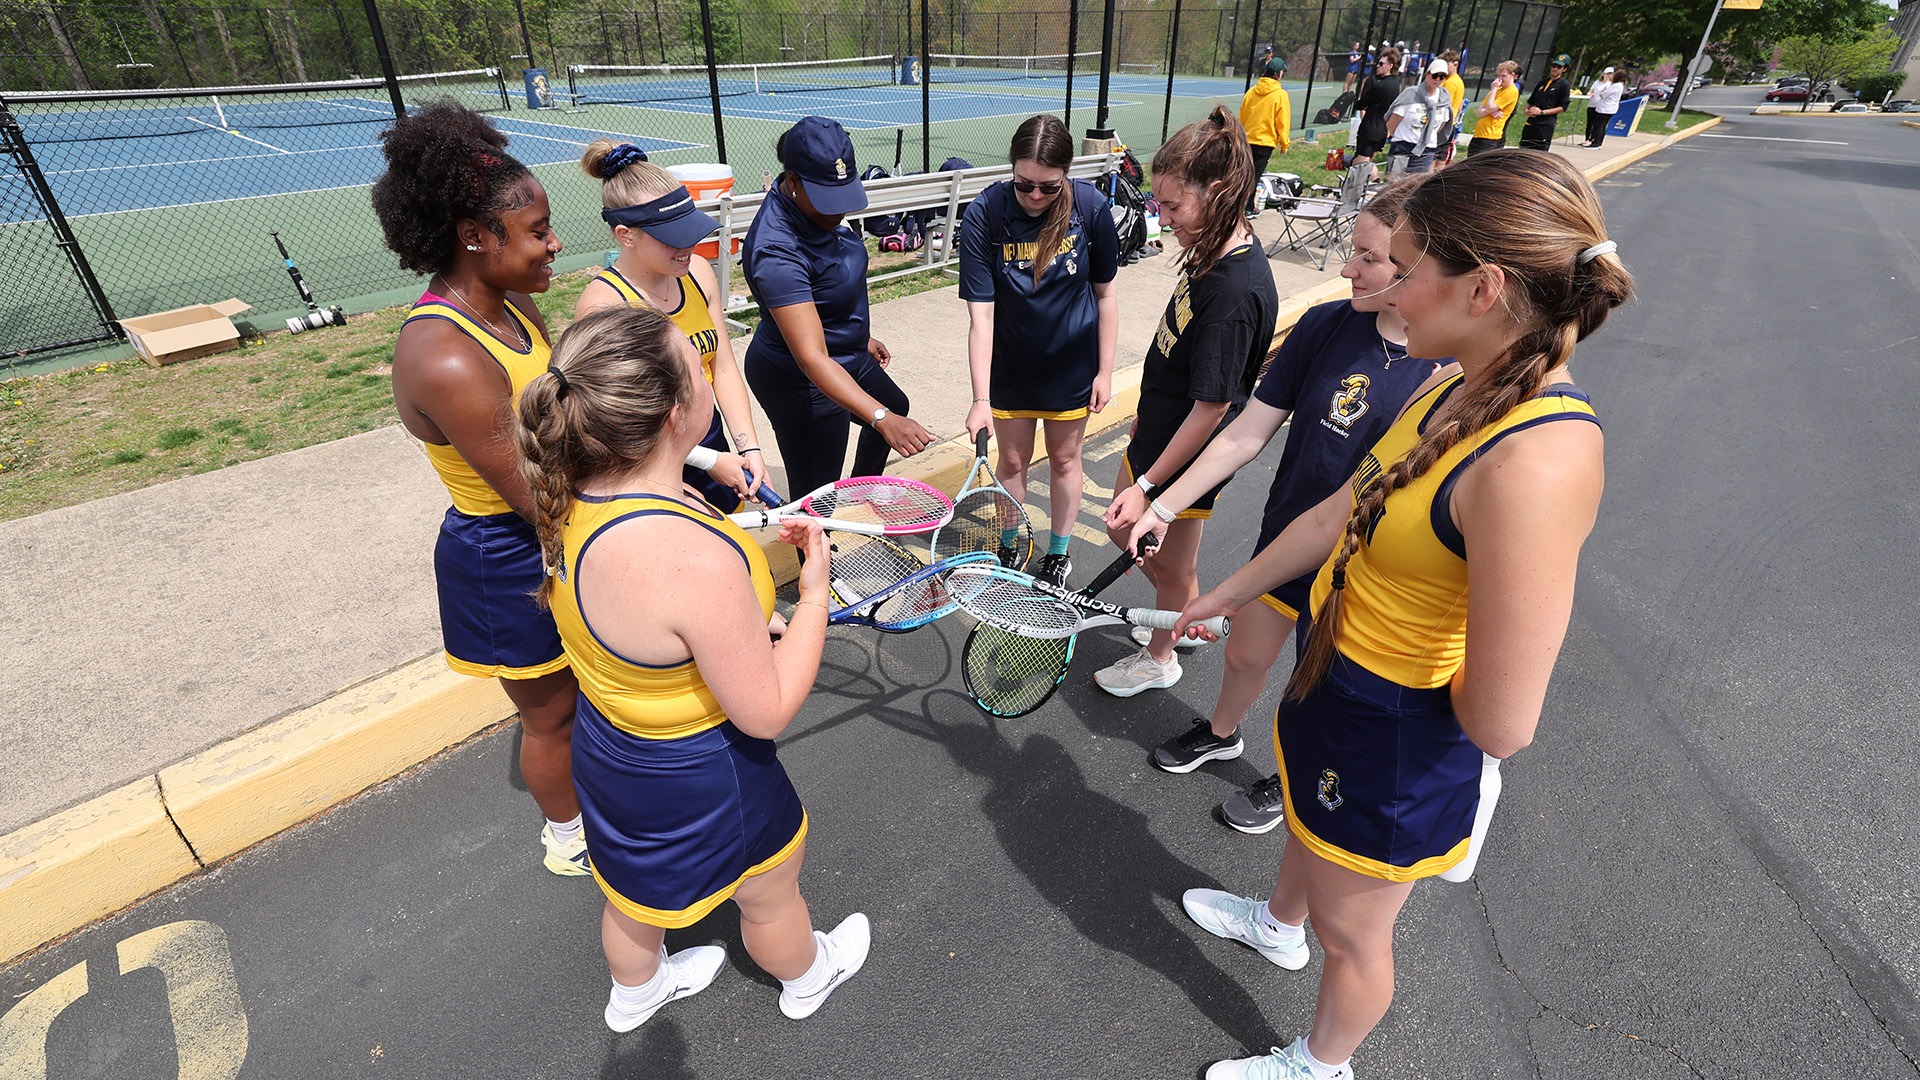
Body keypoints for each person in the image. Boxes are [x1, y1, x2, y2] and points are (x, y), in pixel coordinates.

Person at [1172, 148, 1632, 1080]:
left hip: (1394, 731)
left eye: (1409, 268)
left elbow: (1503, 716)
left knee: (1356, 934)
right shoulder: (1453, 382)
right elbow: (1337, 511)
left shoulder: (1536, 461)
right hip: (1333, 677)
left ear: (1483, 286)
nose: (1388, 289)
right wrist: (1218, 595)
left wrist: (1425, 751)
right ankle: (1275, 925)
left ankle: (1321, 1063)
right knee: (1305, 827)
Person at [514, 304, 870, 1031]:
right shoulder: (697, 557)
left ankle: (636, 993)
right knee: (770, 893)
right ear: (683, 410)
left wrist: (746, 619)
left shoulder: (569, 492)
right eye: (700, 362)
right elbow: (765, 711)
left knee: (631, 896)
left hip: (612, 751)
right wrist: (811, 595)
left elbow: (659, 629)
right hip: (706, 771)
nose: (713, 367)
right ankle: (808, 975)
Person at [1120, 182, 1448, 835]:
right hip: (1286, 543)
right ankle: (1221, 733)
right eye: (1352, 249)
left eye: (1369, 256)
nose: (1347, 267)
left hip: (1364, 576)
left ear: (1418, 266)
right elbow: (1243, 433)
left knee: (1314, 692)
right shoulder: (1328, 326)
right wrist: (1163, 499)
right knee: (1245, 656)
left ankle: (1293, 775)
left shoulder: (1448, 371)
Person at [370, 100, 587, 878]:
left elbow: (567, 413)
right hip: (507, 553)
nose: (554, 242)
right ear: (475, 238)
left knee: (593, 690)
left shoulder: (514, 305)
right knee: (552, 715)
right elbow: (536, 494)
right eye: (536, 232)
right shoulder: (443, 354)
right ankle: (569, 840)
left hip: (564, 522)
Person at [1096, 106, 1277, 697]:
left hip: (1182, 462)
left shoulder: (1235, 292)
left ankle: (1162, 653)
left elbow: (1212, 409)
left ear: (1220, 192)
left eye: (1172, 206)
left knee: (1169, 565)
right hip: (1157, 442)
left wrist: (1150, 487)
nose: (1160, 216)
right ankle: (1187, 617)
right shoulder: (1208, 249)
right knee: (1142, 549)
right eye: (1159, 203)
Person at [959, 114, 1121, 586]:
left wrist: (1105, 371)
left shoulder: (1089, 208)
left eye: (1048, 187)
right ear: (1011, 170)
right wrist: (980, 398)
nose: (1034, 196)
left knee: (1066, 461)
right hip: (1010, 368)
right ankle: (1010, 545)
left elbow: (1106, 295)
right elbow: (981, 316)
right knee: (1011, 463)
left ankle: (1057, 553)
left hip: (1071, 368)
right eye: (1023, 184)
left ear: (1066, 174)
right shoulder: (986, 213)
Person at [742, 115, 935, 499]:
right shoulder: (776, 251)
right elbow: (812, 357)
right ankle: (816, 551)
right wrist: (881, 421)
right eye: (827, 201)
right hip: (802, 378)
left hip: (842, 350)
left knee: (895, 403)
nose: (839, 212)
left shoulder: (816, 214)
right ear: (792, 182)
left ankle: (860, 492)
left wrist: (857, 334)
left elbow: (825, 288)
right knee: (817, 492)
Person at [576, 141, 765, 512]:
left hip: (710, 443)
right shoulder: (604, 306)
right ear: (626, 235)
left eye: (690, 230)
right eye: (672, 238)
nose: (688, 247)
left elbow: (721, 366)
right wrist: (709, 461)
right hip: (650, 464)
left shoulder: (696, 273)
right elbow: (617, 427)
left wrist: (749, 448)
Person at [1383, 59, 1453, 177]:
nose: (1437, 80)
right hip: (1403, 146)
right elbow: (1391, 124)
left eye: (1442, 77)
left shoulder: (1444, 99)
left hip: (1426, 150)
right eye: (1435, 75)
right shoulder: (1410, 94)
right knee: (1393, 185)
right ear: (1427, 74)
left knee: (1416, 187)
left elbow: (1441, 125)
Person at [1240, 57, 1293, 210]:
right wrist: (1284, 143)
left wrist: (1241, 136)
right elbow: (1282, 121)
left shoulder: (1251, 92)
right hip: (1265, 143)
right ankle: (1247, 207)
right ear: (1278, 74)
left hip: (1247, 139)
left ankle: (1241, 205)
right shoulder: (1280, 95)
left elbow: (1243, 115)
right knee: (1254, 177)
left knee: (1244, 175)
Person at [1351, 47, 1403, 163]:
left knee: (1361, 161)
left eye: (1381, 63)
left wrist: (1357, 102)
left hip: (1371, 128)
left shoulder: (1379, 86)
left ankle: (1374, 179)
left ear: (1390, 66)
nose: (1377, 66)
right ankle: (1368, 180)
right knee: (1367, 160)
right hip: (1381, 130)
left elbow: (1361, 104)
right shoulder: (1395, 84)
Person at [1467, 60, 1521, 156]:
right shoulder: (1496, 90)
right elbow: (1478, 112)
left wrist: (1494, 89)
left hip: (1490, 137)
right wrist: (1490, 111)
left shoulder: (1511, 91)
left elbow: (1490, 106)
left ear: (1512, 75)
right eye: (1498, 76)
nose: (1500, 79)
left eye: (1503, 76)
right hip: (1479, 134)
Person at [1520, 53, 1573, 150]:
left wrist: (1541, 112)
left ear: (1564, 69)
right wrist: (1527, 110)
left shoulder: (1564, 84)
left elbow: (1563, 107)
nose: (1555, 69)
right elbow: (1531, 100)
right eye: (1554, 66)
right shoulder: (1542, 82)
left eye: (1559, 67)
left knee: (1539, 150)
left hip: (1545, 124)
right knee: (1524, 147)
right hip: (1532, 121)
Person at [1435, 50, 1467, 168]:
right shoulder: (1458, 81)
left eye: (1446, 64)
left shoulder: (1450, 83)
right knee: (1441, 155)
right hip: (1450, 123)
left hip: (1443, 124)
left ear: (1455, 64)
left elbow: (1443, 105)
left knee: (1434, 155)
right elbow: (1459, 106)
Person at [1581, 67, 1623, 147]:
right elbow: (1592, 90)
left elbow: (1604, 94)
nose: (1608, 75)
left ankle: (1594, 141)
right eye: (1607, 73)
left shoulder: (1612, 85)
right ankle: (1587, 139)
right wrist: (1590, 93)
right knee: (1590, 123)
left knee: (1598, 125)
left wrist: (1602, 93)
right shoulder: (1597, 82)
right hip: (1593, 104)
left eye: (1610, 74)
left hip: (1602, 107)